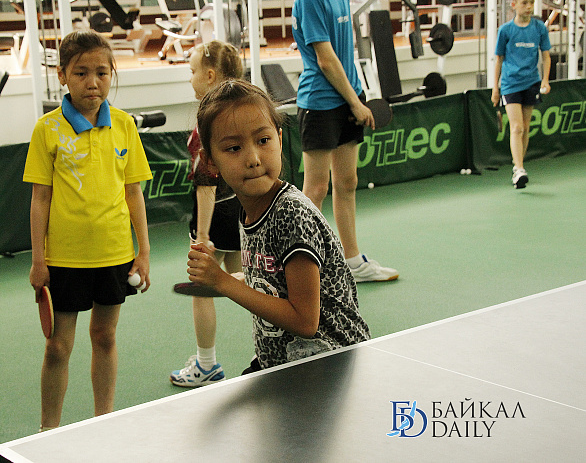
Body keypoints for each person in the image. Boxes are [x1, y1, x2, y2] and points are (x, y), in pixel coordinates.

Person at [186, 79, 371, 371]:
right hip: (286, 365)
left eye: (263, 140)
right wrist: (245, 280)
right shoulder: (250, 209)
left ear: (280, 140)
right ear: (210, 163)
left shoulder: (291, 214)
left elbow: (305, 321)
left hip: (332, 365)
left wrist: (222, 281)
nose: (253, 159)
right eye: (234, 148)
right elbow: (280, 281)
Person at [23, 30, 152, 431]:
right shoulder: (47, 129)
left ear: (112, 74)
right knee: (57, 347)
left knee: (105, 337)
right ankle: (48, 431)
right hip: (65, 258)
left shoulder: (125, 125)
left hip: (115, 253)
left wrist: (144, 252)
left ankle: (103, 423)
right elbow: (40, 198)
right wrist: (39, 260)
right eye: (81, 73)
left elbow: (133, 192)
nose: (92, 82)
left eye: (101, 72)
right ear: (62, 75)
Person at [291, 0, 398, 282]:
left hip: (349, 93)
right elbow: (325, 59)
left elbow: (343, 50)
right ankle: (303, 268)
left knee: (347, 182)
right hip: (320, 102)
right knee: (315, 190)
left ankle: (353, 262)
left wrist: (358, 93)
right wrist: (355, 102)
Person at [170, 41, 244, 387]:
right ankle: (282, 345)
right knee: (254, 286)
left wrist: (202, 237)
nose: (191, 79)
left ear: (211, 75)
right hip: (242, 212)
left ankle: (206, 364)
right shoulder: (242, 110)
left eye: (193, 71)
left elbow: (205, 185)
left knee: (201, 288)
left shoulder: (208, 121)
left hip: (214, 218)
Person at [492, 0, 551, 189]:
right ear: (514, 4)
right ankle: (518, 169)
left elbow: (546, 56)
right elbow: (499, 60)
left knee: (525, 128)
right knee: (516, 127)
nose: (529, 7)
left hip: (531, 82)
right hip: (510, 84)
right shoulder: (505, 30)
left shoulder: (539, 28)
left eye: (531, 3)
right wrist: (495, 88)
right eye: (524, 3)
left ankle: (519, 166)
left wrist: (545, 80)